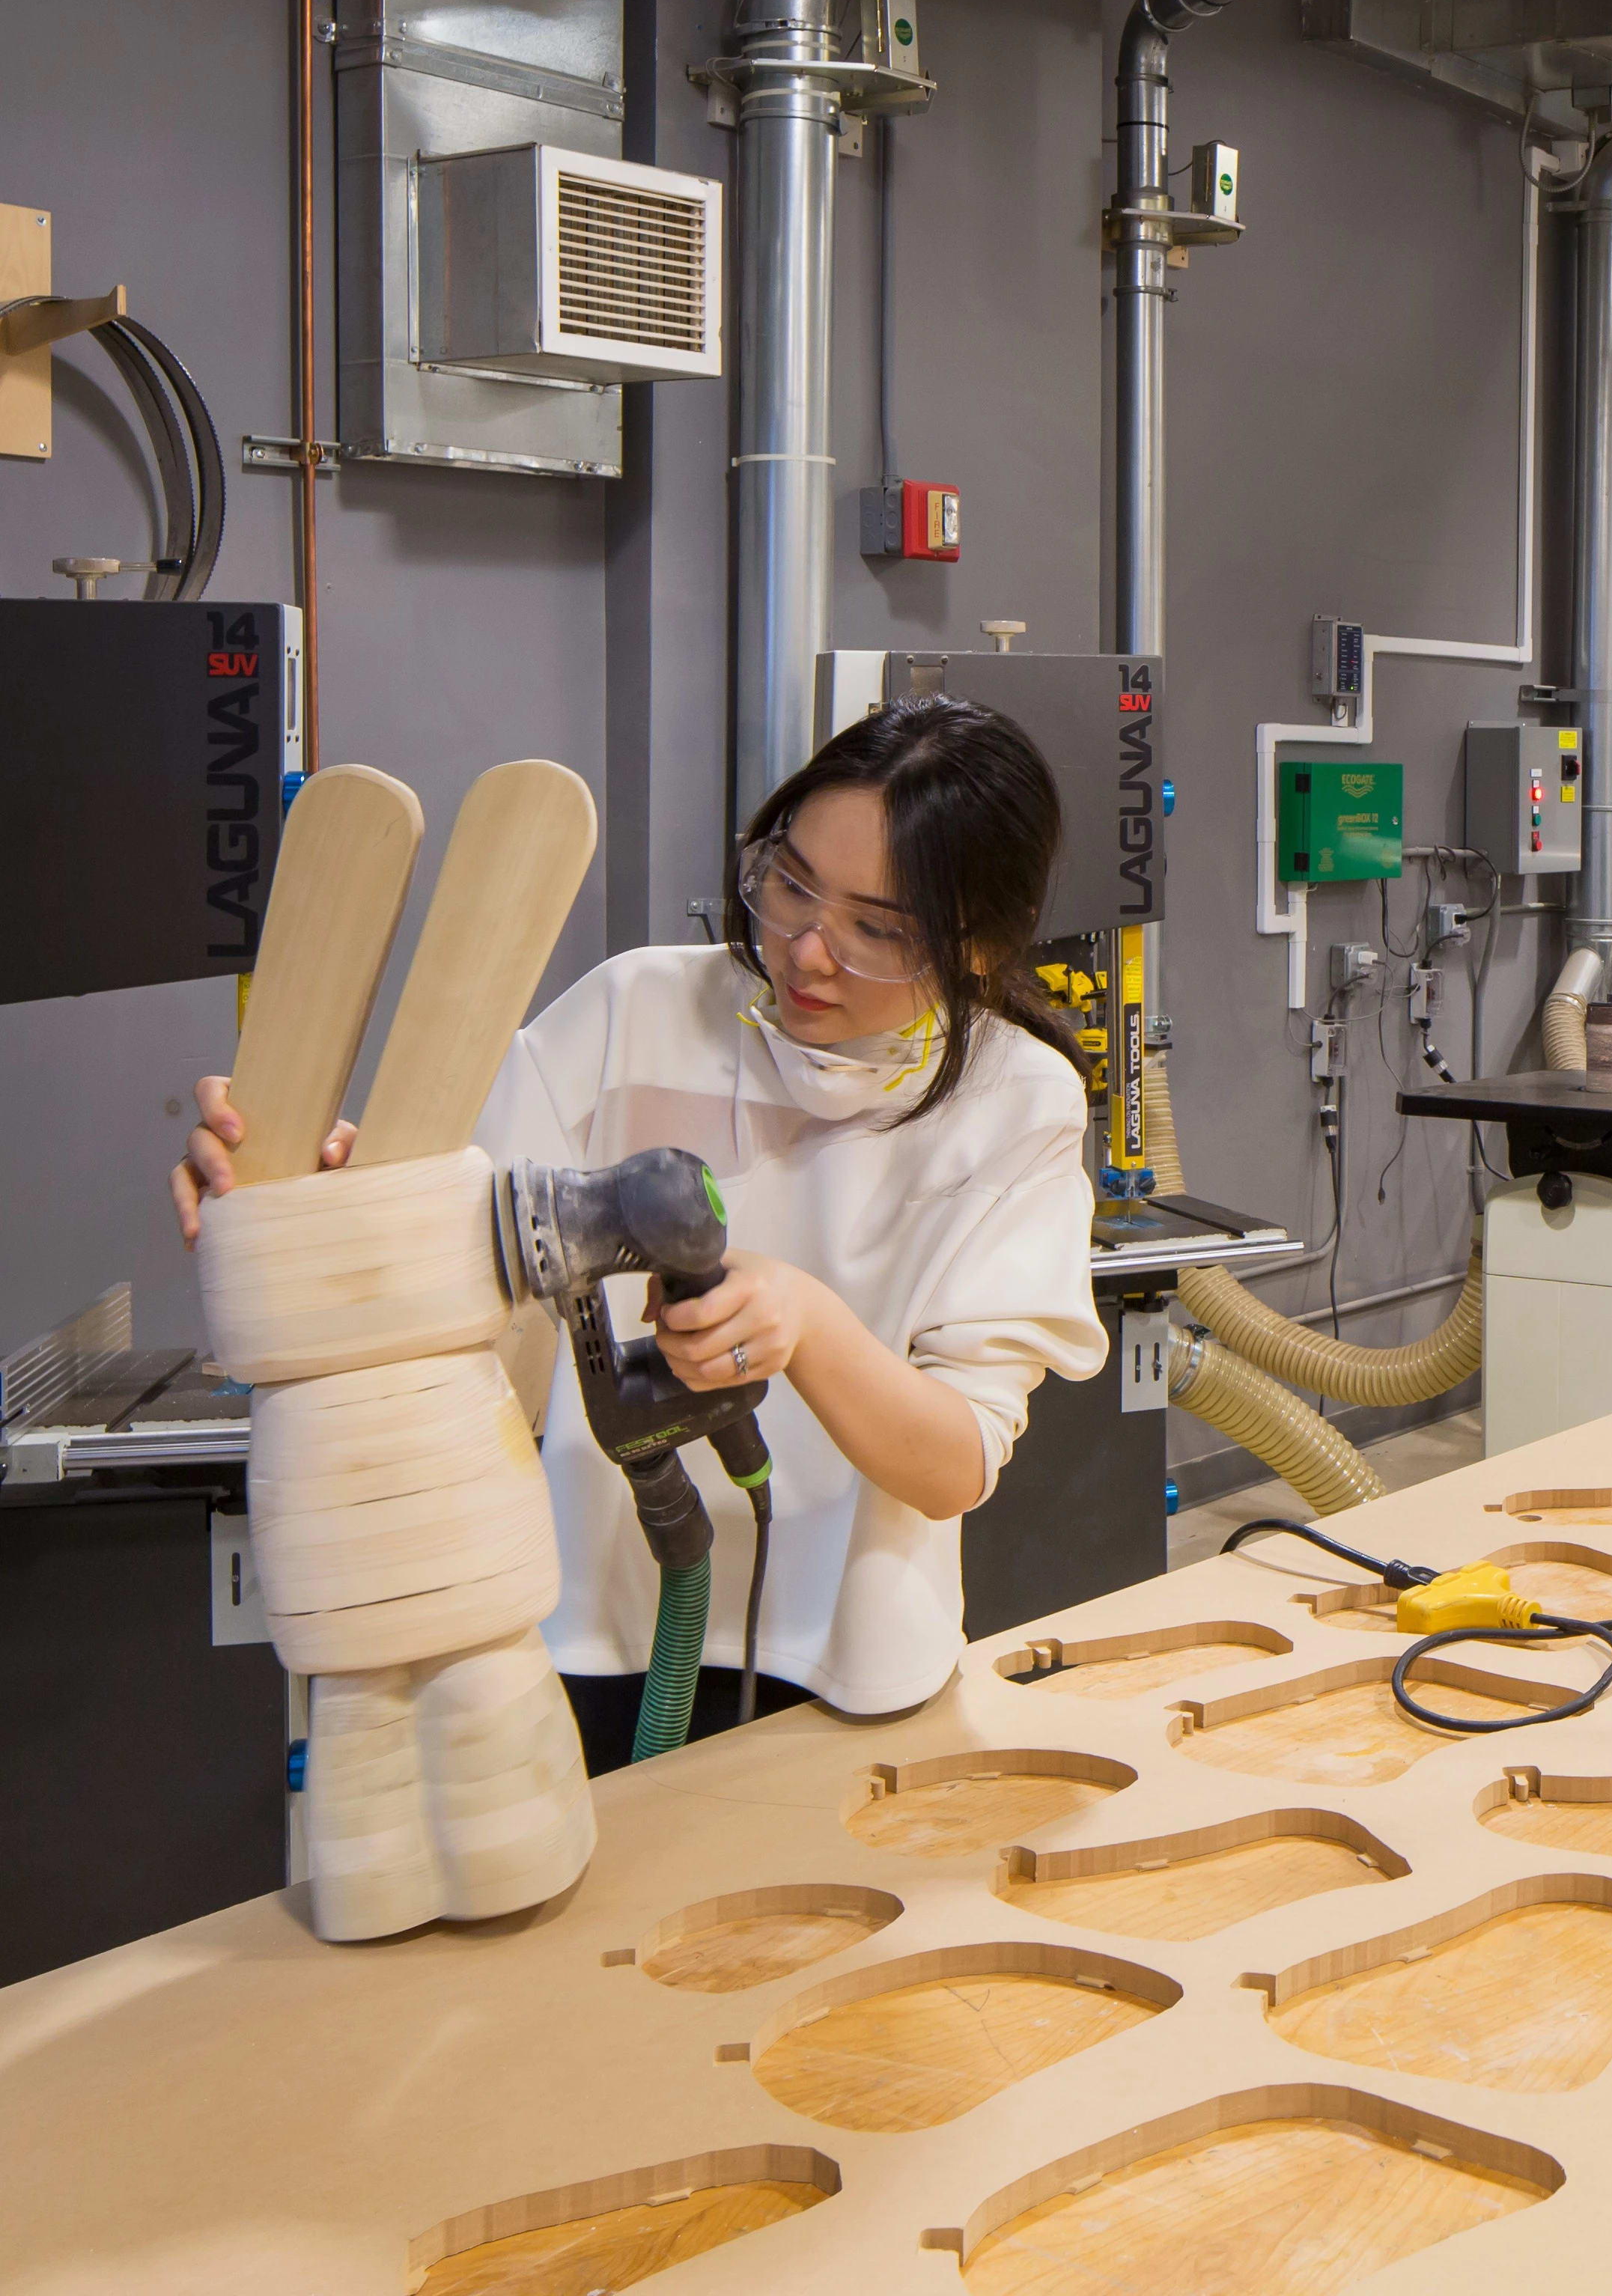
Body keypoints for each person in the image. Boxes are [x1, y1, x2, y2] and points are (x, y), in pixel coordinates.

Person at [174, 695, 1104, 1770]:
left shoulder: (1015, 1102)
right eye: (792, 882)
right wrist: (307, 1189)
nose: (805, 949)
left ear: (978, 949)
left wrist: (808, 1325)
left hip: (846, 1658)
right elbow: (453, 1238)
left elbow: (954, 1466)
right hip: (588, 1626)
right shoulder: (634, 1012)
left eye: (877, 929)